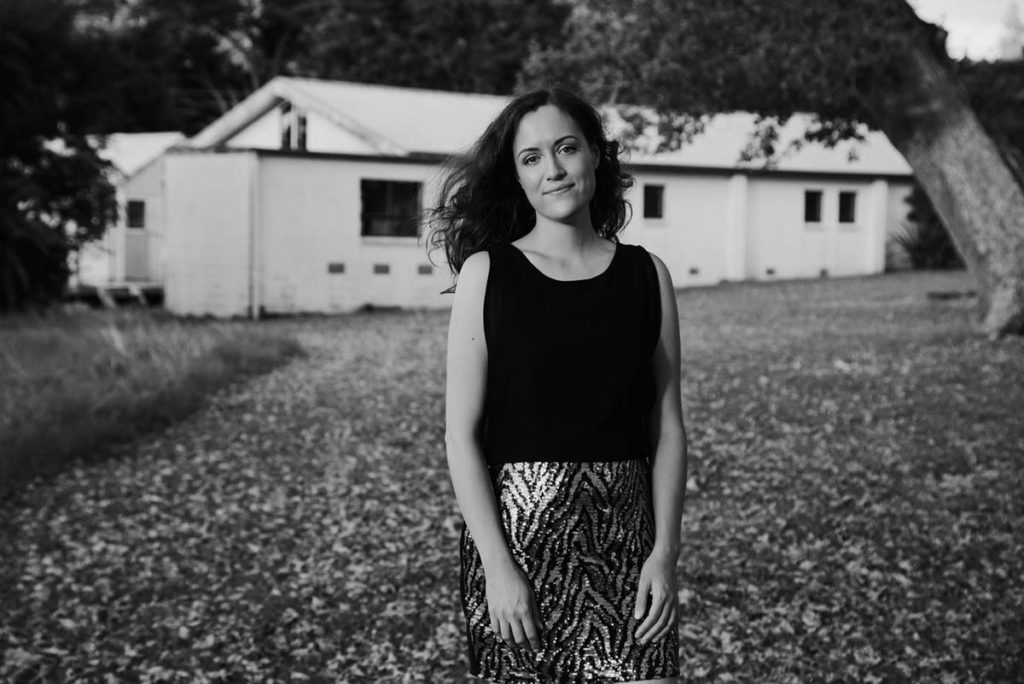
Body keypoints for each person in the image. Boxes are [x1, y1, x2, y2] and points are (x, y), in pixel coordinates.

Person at [429, 86, 688, 683]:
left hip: (631, 547)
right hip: (517, 548)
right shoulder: (486, 275)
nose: (553, 169)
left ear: (596, 155)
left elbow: (667, 427)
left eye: (567, 148)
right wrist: (496, 565)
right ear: (517, 178)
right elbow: (460, 436)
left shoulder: (648, 275)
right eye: (531, 158)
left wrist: (665, 555)